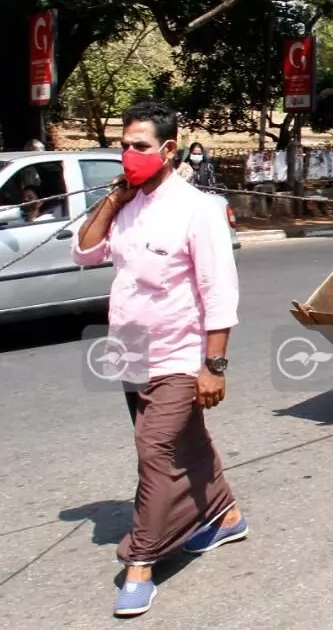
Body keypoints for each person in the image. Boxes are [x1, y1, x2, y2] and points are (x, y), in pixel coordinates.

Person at [71, 101, 246, 618]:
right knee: (185, 441)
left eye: (140, 147)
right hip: (129, 347)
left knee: (154, 452)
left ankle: (142, 560)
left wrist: (213, 367)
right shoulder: (125, 203)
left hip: (179, 352)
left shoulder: (197, 209)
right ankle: (226, 514)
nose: (128, 155)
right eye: (123, 146)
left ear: (168, 150)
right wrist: (113, 198)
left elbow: (220, 293)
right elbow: (84, 251)